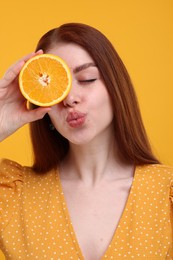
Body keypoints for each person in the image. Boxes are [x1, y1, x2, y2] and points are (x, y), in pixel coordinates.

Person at [0, 23, 172, 260]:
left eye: (87, 79)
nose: (70, 98)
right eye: (56, 88)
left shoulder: (166, 193)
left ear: (115, 86)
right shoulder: (11, 194)